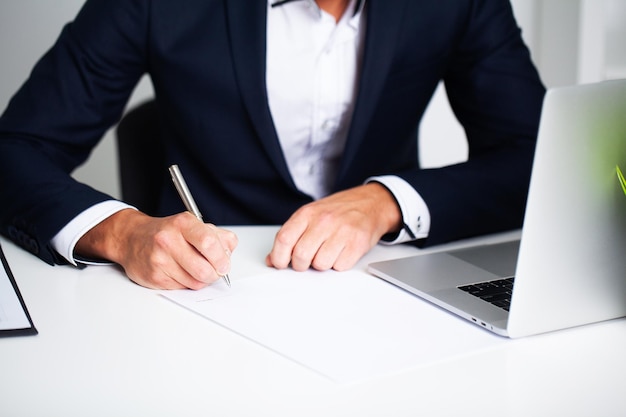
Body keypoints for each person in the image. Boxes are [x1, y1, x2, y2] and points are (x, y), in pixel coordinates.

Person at [0, 0, 545, 290]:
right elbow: (15, 150)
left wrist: (388, 201)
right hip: (204, 296)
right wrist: (123, 233)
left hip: (386, 291)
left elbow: (536, 160)